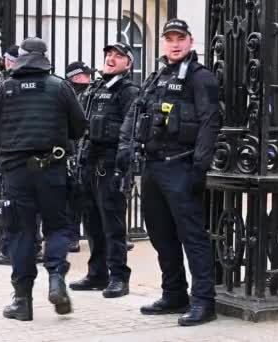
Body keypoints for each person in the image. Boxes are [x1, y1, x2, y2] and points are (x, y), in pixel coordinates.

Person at [117, 19, 220, 326]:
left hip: (181, 164)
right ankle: (174, 293)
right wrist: (124, 147)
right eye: (170, 38)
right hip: (152, 166)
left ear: (190, 41)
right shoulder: (157, 76)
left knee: (192, 237)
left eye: (181, 38)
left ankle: (204, 301)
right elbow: (135, 113)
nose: (175, 44)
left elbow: (209, 122)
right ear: (163, 42)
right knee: (161, 236)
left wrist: (199, 167)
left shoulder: (201, 78)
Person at [0, 37, 86, 321]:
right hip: (52, 169)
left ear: (22, 57)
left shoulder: (5, 89)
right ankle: (56, 280)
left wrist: (4, 155)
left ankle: (22, 301)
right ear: (44, 57)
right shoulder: (60, 87)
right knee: (57, 228)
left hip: (16, 173)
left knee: (21, 233)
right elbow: (79, 127)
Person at [69, 42, 139, 298]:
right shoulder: (95, 88)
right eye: (108, 54)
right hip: (88, 163)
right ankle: (97, 274)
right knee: (93, 223)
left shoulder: (128, 91)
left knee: (113, 224)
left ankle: (119, 277)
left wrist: (124, 165)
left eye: (118, 56)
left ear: (127, 64)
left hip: (110, 166)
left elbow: (130, 130)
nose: (111, 58)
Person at [0, 45, 44, 266]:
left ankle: (10, 248)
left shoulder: (2, 87)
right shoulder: (49, 85)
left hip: (8, 156)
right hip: (40, 158)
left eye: (6, 59)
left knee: (8, 205)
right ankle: (33, 246)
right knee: (32, 206)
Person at [65, 61, 96, 253]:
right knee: (72, 197)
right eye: (86, 75)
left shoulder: (87, 93)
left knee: (85, 196)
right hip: (70, 150)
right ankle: (71, 236)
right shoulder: (69, 94)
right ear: (77, 77)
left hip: (83, 150)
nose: (90, 78)